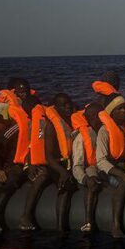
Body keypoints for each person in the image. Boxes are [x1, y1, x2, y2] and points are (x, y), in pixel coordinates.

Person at [0, 94, 48, 231]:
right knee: (12, 180)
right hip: (16, 164)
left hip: (32, 163)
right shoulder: (19, 126)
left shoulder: (42, 125)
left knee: (42, 176)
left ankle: (26, 216)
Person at [95, 94, 125, 238]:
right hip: (107, 170)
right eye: (119, 109)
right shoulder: (104, 131)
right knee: (122, 183)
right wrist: (121, 174)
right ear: (111, 112)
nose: (124, 111)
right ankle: (115, 225)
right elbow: (101, 161)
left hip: (124, 165)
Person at [38, 93, 79, 231]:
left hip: (73, 162)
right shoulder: (51, 126)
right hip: (57, 164)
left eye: (68, 103)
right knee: (65, 186)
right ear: (56, 108)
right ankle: (61, 226)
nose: (67, 107)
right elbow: (49, 157)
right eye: (63, 105)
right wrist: (63, 173)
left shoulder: (75, 121)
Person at [71, 103, 103, 232]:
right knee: (92, 180)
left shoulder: (105, 131)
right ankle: (88, 221)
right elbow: (77, 166)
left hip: (105, 167)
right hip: (90, 168)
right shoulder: (82, 137)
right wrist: (85, 179)